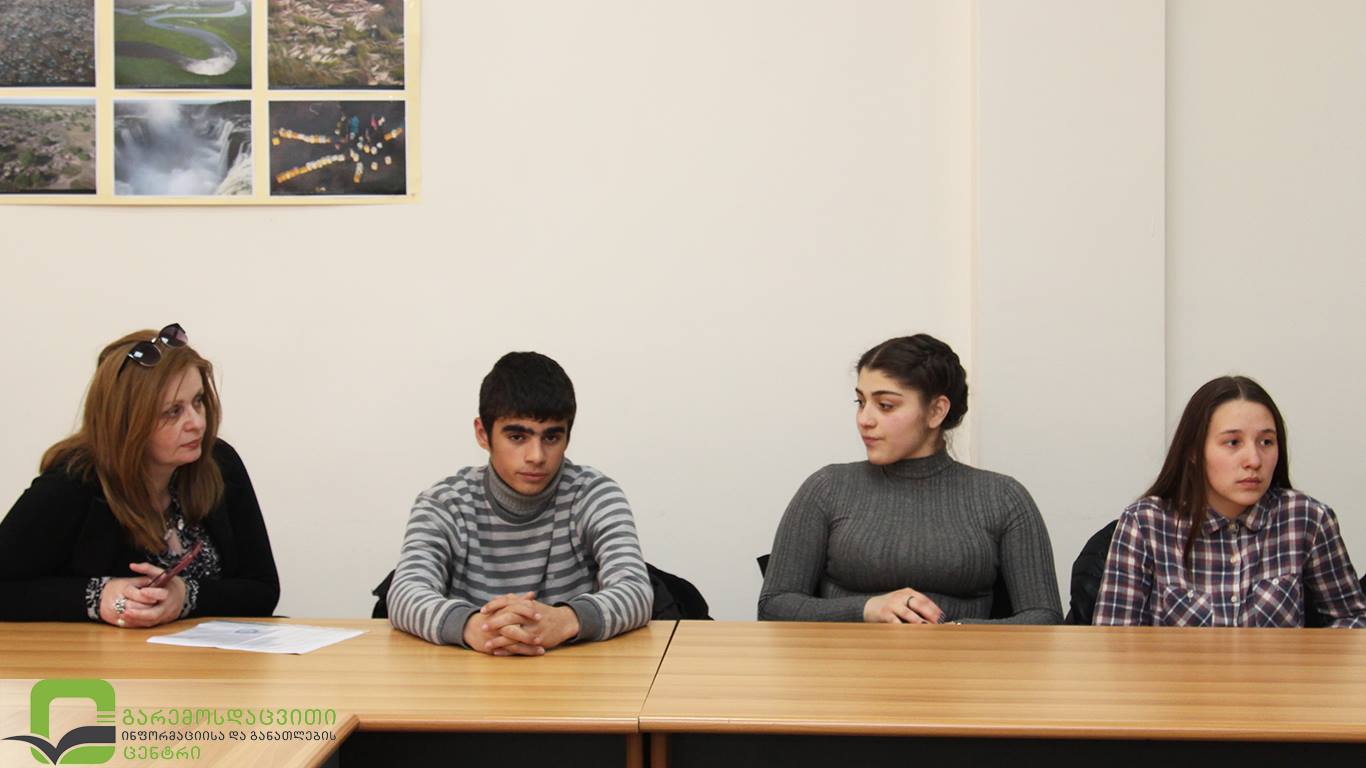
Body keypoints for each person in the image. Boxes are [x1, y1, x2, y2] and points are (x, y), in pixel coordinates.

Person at [758, 334, 1062, 624]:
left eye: (885, 405)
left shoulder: (1003, 497)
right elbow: (773, 605)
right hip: (846, 660)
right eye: (860, 402)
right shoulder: (827, 487)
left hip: (960, 660)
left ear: (936, 411)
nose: (864, 419)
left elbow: (1044, 618)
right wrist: (867, 609)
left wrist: (949, 633)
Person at [0, 325, 279, 625]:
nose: (197, 423)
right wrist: (97, 598)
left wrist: (186, 597)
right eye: (173, 411)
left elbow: (263, 590)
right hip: (100, 654)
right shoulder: (71, 484)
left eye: (197, 401)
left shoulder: (219, 463)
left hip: (203, 653)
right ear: (127, 421)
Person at [388, 352, 652, 655]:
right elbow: (404, 593)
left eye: (551, 438)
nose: (536, 456)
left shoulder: (593, 494)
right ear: (482, 434)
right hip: (469, 676)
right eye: (517, 437)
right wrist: (475, 627)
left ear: (568, 437)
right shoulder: (444, 503)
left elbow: (636, 590)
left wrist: (565, 621)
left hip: (573, 676)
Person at [1093, 376, 1366, 627]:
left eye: (1266, 442)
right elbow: (1114, 640)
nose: (1254, 460)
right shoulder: (1146, 523)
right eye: (1233, 442)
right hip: (1177, 669)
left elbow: (1353, 621)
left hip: (1278, 669)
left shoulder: (1306, 519)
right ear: (1194, 452)